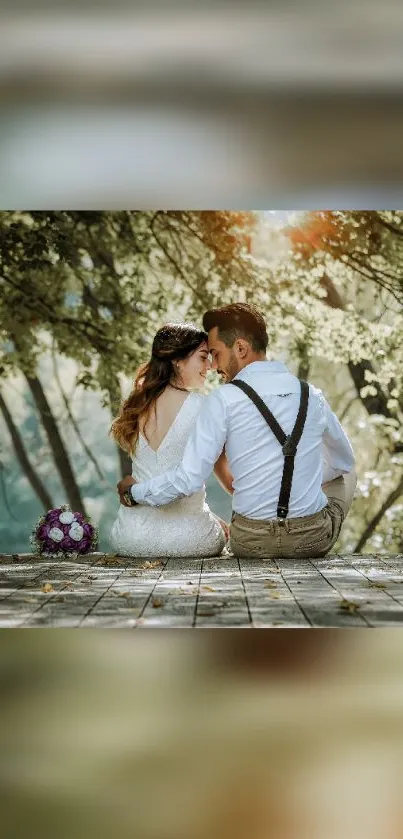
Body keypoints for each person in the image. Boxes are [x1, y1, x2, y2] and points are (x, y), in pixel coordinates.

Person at [118, 303, 356, 560]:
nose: (213, 366)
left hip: (250, 541)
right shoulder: (312, 395)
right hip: (310, 540)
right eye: (207, 356)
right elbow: (343, 461)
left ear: (240, 348)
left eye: (216, 354)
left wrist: (134, 493)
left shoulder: (222, 400)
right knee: (347, 473)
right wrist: (302, 480)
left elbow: (188, 479)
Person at [110, 323, 228, 557]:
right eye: (203, 357)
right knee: (224, 533)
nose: (211, 366)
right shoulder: (202, 406)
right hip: (189, 539)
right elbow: (186, 482)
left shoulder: (137, 405)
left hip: (131, 538)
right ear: (177, 360)